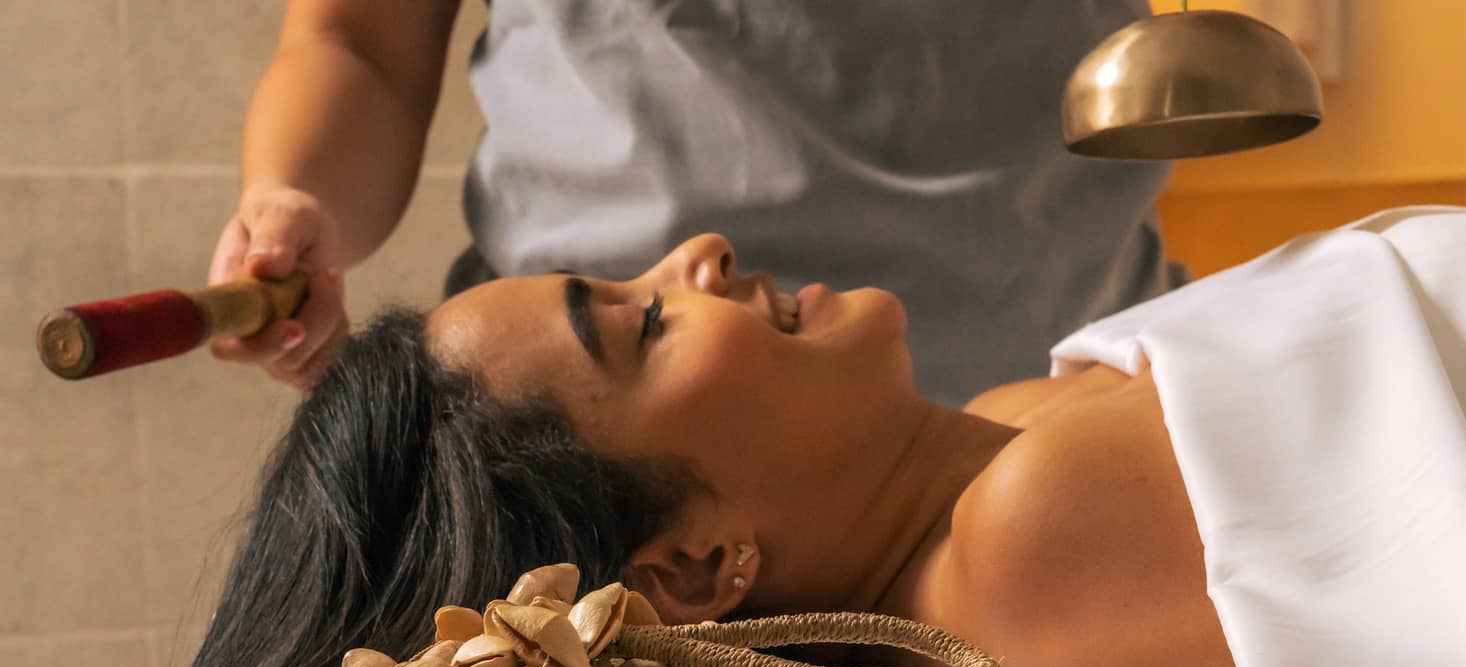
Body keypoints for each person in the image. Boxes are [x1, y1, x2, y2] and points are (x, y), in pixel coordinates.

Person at [109, 206, 1466, 667]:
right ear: (689, 569)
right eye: (646, 323)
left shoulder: (993, 455)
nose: (700, 254)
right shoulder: (1032, 538)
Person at [206, 0, 1178, 401]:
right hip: (618, 473)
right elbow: (358, 43)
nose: (712, 265)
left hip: (1069, 379)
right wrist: (293, 194)